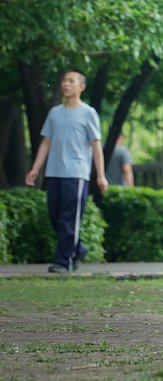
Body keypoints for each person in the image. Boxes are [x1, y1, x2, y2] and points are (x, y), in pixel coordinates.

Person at [25, 69, 108, 273]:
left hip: (76, 173)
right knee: (55, 217)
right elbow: (46, 142)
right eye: (64, 81)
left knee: (68, 220)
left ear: (82, 87)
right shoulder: (54, 113)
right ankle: (78, 250)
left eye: (71, 81)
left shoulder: (88, 113)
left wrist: (100, 175)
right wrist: (35, 169)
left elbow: (96, 145)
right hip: (54, 172)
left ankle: (64, 262)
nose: (66, 84)